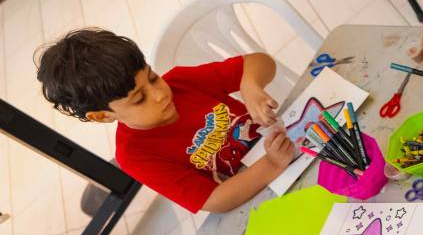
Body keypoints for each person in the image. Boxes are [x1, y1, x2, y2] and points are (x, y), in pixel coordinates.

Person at [36, 28, 295, 213]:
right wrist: (271, 164)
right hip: (260, 191)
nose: (160, 94)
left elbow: (261, 62)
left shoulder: (180, 82)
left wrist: (249, 84)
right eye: (140, 99)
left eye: (153, 78)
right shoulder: (135, 156)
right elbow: (215, 200)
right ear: (103, 116)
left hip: (290, 148)